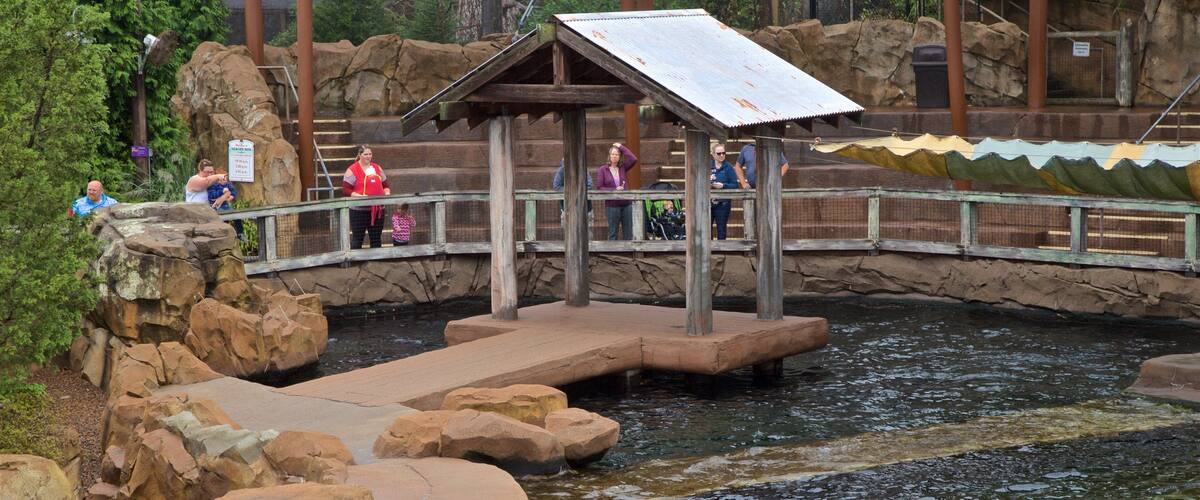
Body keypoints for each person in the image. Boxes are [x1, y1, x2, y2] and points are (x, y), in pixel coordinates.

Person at [343, 145, 391, 249]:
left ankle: (376, 261)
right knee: (357, 238)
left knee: (376, 238)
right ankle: (356, 262)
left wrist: (386, 193)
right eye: (365, 154)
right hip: (359, 210)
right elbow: (346, 189)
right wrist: (358, 196)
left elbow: (385, 185)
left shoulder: (377, 168)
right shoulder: (352, 170)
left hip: (378, 209)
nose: (368, 156)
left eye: (370, 154)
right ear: (360, 155)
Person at [595, 142, 638, 240]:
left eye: (617, 154)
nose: (615, 156)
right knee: (613, 232)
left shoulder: (622, 167)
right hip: (612, 205)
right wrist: (614, 190)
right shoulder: (603, 169)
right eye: (613, 154)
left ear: (620, 156)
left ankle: (627, 252)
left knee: (628, 232)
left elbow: (633, 159)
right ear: (609, 156)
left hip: (626, 204)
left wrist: (621, 147)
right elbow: (599, 187)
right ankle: (612, 253)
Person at [552, 159, 594, 228]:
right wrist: (571, 190)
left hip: (585, 209)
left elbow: (589, 185)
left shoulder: (583, 169)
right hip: (567, 210)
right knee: (566, 234)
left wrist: (577, 189)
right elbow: (556, 187)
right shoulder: (561, 171)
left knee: (588, 234)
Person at [709, 143, 739, 240]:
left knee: (721, 228)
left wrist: (723, 186)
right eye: (719, 153)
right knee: (706, 228)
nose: (722, 155)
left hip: (723, 203)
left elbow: (735, 185)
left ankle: (721, 251)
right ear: (713, 154)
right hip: (707, 202)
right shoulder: (708, 166)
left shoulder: (728, 167)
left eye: (723, 153)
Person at [207, 170, 245, 240]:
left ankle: (240, 233)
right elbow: (212, 196)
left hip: (225, 206)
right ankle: (223, 235)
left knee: (237, 215)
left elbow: (233, 191)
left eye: (225, 179)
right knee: (224, 220)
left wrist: (232, 196)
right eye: (223, 179)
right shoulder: (213, 186)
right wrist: (222, 191)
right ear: (218, 179)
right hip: (216, 208)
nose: (225, 180)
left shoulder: (227, 185)